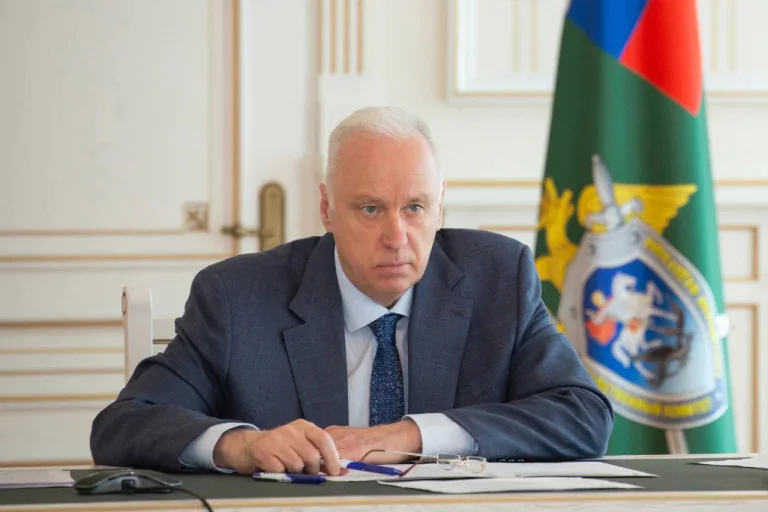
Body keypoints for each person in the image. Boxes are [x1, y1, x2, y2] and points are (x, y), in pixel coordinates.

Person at [90, 106, 613, 475]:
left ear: (440, 206)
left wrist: (409, 435)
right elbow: (123, 425)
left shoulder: (498, 277)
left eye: (415, 208)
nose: (396, 236)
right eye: (370, 209)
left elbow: (582, 416)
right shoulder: (237, 298)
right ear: (326, 208)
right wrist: (241, 446)